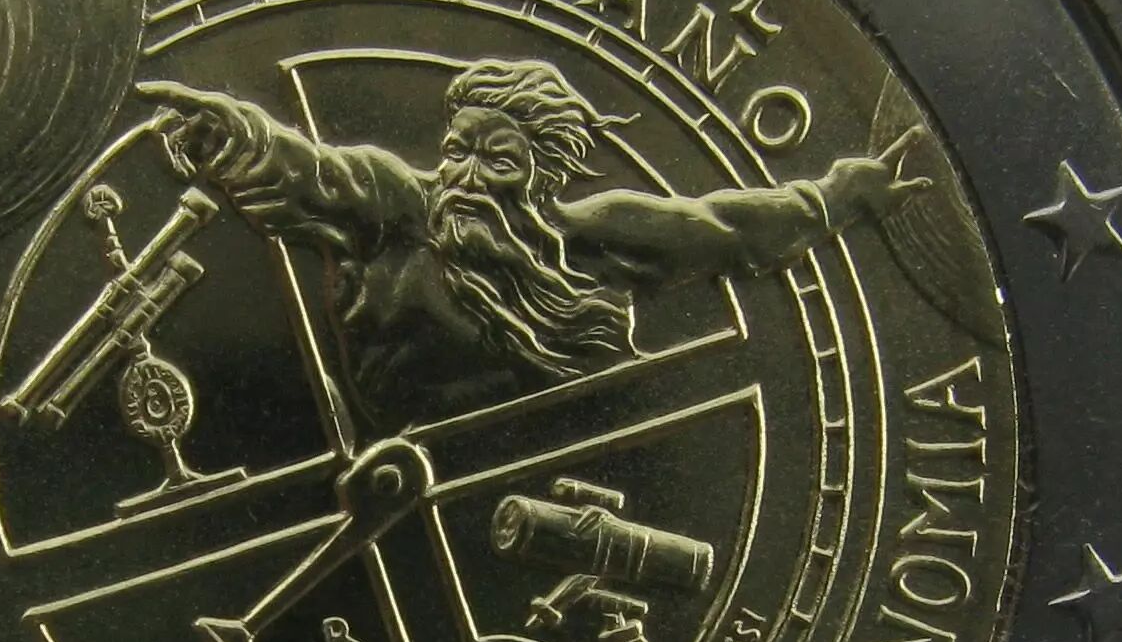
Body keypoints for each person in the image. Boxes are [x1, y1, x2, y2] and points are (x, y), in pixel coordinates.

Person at [140, 58, 924, 432]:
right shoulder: (397, 208)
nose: (466, 176)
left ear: (542, 177)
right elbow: (312, 173)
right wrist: (227, 134)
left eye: (499, 160)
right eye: (458, 150)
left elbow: (727, 227)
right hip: (410, 487)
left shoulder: (597, 239)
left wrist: (835, 196)